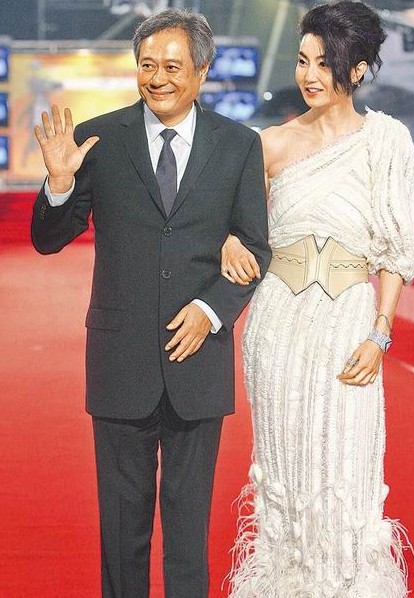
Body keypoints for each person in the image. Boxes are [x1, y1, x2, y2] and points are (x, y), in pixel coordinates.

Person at [31, 8, 270, 598]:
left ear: (202, 71)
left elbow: (255, 251)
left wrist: (210, 311)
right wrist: (59, 185)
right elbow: (48, 239)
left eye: (172, 66)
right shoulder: (98, 139)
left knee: (188, 539)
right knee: (122, 535)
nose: (157, 78)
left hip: (198, 361)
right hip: (120, 362)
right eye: (146, 65)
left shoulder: (239, 146)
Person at [221, 2, 414, 596]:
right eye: (303, 60)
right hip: (278, 326)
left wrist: (380, 333)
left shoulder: (387, 140)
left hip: (348, 324)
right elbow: (232, 224)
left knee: (344, 463)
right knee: (284, 465)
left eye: (325, 63)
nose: (309, 75)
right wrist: (229, 240)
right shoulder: (270, 143)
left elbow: (395, 249)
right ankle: (285, 582)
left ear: (357, 69)